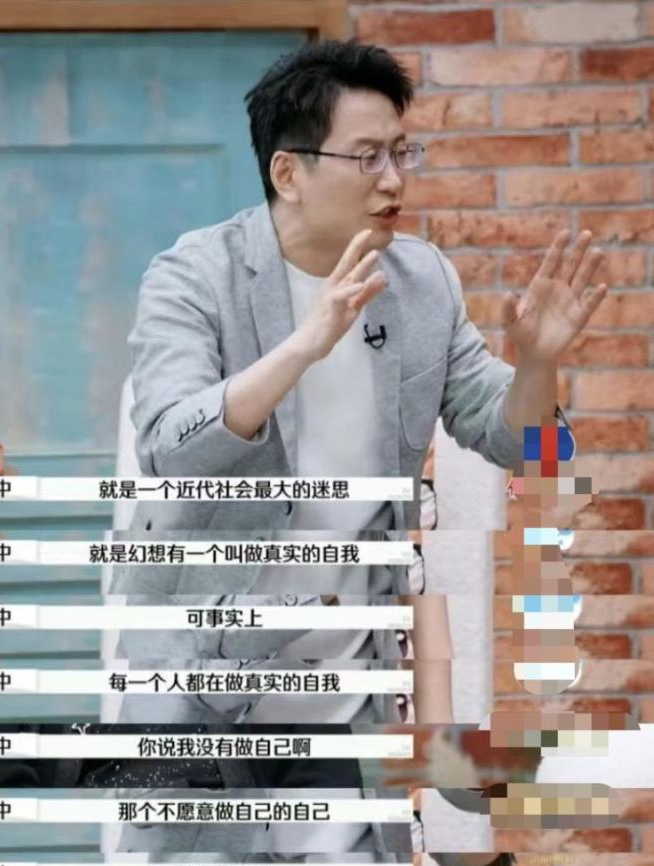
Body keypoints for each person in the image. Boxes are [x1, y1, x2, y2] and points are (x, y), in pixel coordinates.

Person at [108, 37, 608, 731]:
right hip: (198, 683)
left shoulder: (422, 283)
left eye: (402, 153)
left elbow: (523, 446)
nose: (394, 180)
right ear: (289, 172)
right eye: (368, 157)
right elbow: (172, 450)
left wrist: (538, 364)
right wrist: (305, 345)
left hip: (352, 688)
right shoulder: (193, 277)